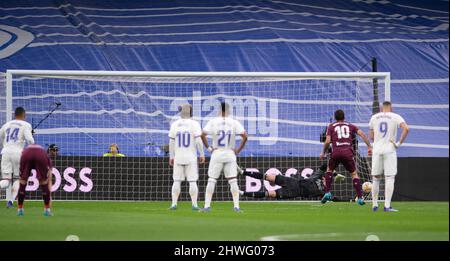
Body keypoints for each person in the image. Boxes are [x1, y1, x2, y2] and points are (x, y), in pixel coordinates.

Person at [200, 102, 248, 212]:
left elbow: (202, 134)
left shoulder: (213, 121)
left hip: (217, 153)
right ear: (228, 110)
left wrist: (209, 148)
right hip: (230, 153)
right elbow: (245, 136)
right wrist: (238, 150)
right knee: (233, 180)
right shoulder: (234, 122)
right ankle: (236, 207)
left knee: (212, 179)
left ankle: (207, 206)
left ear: (219, 110)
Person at [320, 109, 372, 205]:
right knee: (354, 174)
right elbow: (362, 134)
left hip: (336, 152)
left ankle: (327, 192)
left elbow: (327, 141)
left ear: (335, 118)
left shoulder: (331, 126)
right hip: (347, 152)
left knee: (329, 170)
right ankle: (360, 198)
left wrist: (323, 152)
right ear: (344, 117)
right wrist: (369, 146)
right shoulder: (350, 125)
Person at [369, 101, 409, 212]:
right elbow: (406, 128)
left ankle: (374, 205)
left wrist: (379, 139)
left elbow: (371, 136)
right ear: (391, 108)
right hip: (389, 149)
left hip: (377, 150)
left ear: (382, 108)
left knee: (376, 178)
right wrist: (398, 144)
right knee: (390, 177)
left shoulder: (374, 117)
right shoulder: (396, 116)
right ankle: (387, 206)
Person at [168, 104, 205, 210]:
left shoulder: (175, 124)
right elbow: (198, 141)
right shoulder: (195, 124)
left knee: (176, 181)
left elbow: (171, 142)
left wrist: (171, 156)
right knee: (192, 181)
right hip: (191, 157)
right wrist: (202, 154)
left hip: (178, 156)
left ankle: (174, 204)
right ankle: (194, 205)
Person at [239, 164, 343, 200]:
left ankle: (242, 193)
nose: (326, 178)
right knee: (267, 177)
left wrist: (352, 200)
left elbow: (334, 199)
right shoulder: (318, 176)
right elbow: (324, 166)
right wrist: (335, 173)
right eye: (327, 176)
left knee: (269, 194)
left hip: (293, 193)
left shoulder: (324, 192)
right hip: (292, 182)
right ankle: (242, 172)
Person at [0, 107, 34, 208]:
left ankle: (10, 202)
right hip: (18, 153)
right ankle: (10, 202)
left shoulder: (7, 125)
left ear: (15, 115)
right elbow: (31, 141)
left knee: (6, 180)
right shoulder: (26, 125)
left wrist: (5, 145)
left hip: (5, 152)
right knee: (18, 179)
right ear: (24, 115)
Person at [16, 144, 53, 216]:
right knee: (44, 182)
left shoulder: (26, 151)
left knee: (23, 182)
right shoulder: (46, 157)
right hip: (40, 155)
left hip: (26, 153)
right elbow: (50, 179)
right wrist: (50, 195)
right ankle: (47, 210)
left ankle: (20, 209)